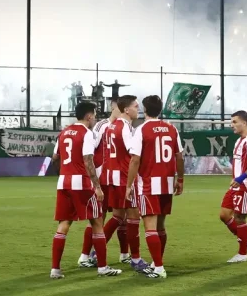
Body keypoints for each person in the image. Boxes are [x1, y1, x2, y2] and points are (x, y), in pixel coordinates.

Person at [50, 101, 122, 279]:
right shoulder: (87, 133)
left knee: (64, 224)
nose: (95, 118)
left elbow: (55, 157)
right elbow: (88, 161)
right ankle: (103, 268)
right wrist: (97, 186)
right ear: (89, 116)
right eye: (94, 115)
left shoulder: (64, 132)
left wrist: (64, 172)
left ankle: (55, 270)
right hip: (81, 183)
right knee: (97, 222)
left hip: (63, 182)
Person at [126, 95, 185, 279]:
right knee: (160, 226)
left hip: (148, 184)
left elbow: (135, 160)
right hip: (166, 183)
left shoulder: (142, 130)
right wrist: (180, 179)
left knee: (150, 227)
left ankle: (159, 268)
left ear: (145, 110)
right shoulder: (171, 128)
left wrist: (129, 185)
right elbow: (179, 156)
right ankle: (157, 262)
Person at [77, 97, 129, 267]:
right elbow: (90, 152)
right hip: (103, 178)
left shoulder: (125, 125)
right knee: (99, 218)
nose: (122, 109)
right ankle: (87, 255)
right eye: (119, 107)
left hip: (116, 177)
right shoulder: (102, 126)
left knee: (122, 217)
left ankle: (124, 254)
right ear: (113, 108)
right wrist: (95, 178)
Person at [104, 95, 148, 272]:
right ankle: (136, 259)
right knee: (133, 217)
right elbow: (133, 154)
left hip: (112, 176)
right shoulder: (126, 127)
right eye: (136, 106)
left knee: (117, 217)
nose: (138, 109)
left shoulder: (112, 126)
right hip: (124, 177)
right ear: (127, 110)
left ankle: (95, 251)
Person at [219, 110, 247, 263]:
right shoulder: (239, 141)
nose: (232, 125)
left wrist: (241, 178)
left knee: (239, 218)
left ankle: (242, 254)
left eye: (235, 122)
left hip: (246, 186)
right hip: (235, 186)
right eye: (231, 122)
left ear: (244, 122)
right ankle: (246, 241)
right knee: (224, 215)